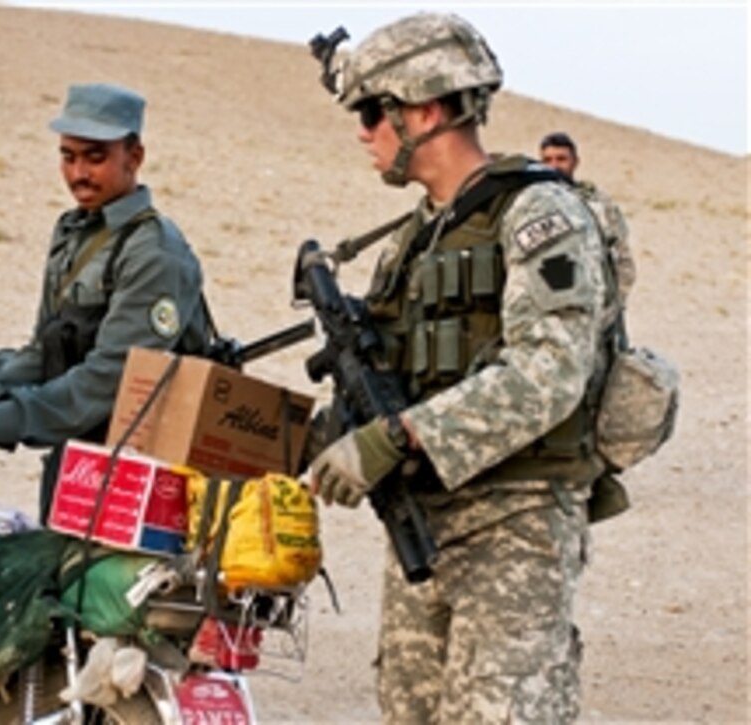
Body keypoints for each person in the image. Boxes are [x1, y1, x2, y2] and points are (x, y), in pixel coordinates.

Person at [306, 13, 610, 723]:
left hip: (516, 524)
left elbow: (549, 372)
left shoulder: (540, 213)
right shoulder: (413, 240)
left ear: (426, 108)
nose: (363, 132)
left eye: (372, 111)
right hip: (424, 524)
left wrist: (398, 436)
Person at [0, 83, 212, 523]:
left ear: (135, 157)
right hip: (79, 454)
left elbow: (114, 379)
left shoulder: (155, 252)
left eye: (95, 157)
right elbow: (41, 353)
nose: (78, 174)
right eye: (68, 157)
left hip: (147, 478)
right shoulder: (75, 233)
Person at [540, 131, 635, 303]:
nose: (554, 166)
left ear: (575, 162)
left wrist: (616, 304)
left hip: (597, 308)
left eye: (561, 159)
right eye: (547, 160)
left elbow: (624, 260)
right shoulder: (532, 207)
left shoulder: (599, 204)